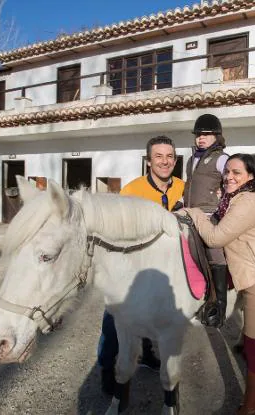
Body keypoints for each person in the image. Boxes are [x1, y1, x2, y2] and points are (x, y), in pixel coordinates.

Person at [181, 154, 255, 415]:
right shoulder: (242, 200)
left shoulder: (248, 201)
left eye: (236, 172)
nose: (229, 177)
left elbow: (215, 237)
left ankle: (249, 410)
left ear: (251, 175)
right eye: (226, 172)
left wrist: (192, 212)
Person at [98, 135, 185, 395]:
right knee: (114, 323)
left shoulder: (183, 187)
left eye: (169, 156)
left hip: (165, 270)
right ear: (148, 161)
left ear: (175, 160)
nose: (164, 161)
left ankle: (147, 355)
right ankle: (106, 368)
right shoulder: (131, 191)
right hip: (132, 271)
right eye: (158, 156)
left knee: (158, 319)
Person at [183, 113, 230, 328]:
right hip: (189, 214)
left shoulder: (222, 158)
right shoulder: (191, 159)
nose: (201, 138)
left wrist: (224, 196)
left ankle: (219, 306)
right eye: (198, 134)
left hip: (210, 215)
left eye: (207, 134)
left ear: (216, 137)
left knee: (214, 251)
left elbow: (233, 182)